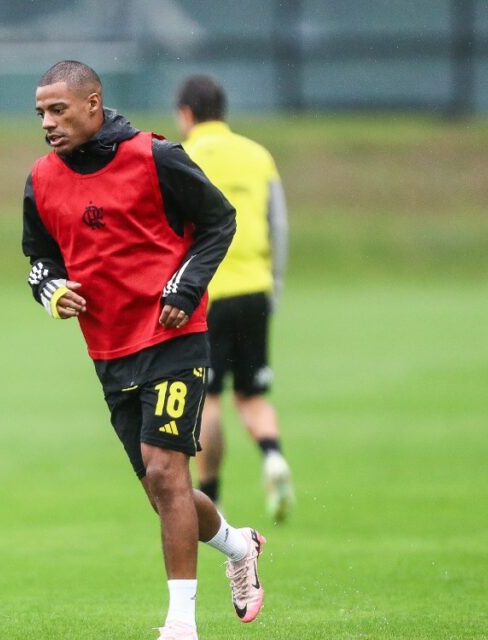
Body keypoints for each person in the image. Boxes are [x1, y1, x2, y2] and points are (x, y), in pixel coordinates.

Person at [23, 60, 267, 640]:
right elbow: (38, 259)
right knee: (163, 492)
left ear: (93, 103)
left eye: (59, 110)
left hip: (174, 339)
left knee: (166, 470)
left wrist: (185, 287)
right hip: (108, 350)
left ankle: (180, 624)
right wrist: (51, 290)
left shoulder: (155, 157)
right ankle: (238, 544)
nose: (49, 123)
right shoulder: (39, 178)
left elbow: (219, 222)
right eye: (40, 114)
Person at [175, 75, 294, 522]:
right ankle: (273, 457)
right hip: (256, 288)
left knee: (209, 397)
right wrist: (274, 285)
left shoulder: (183, 157)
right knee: (252, 392)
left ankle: (212, 495)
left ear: (186, 113)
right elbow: (277, 224)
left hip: (207, 294)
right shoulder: (257, 154)